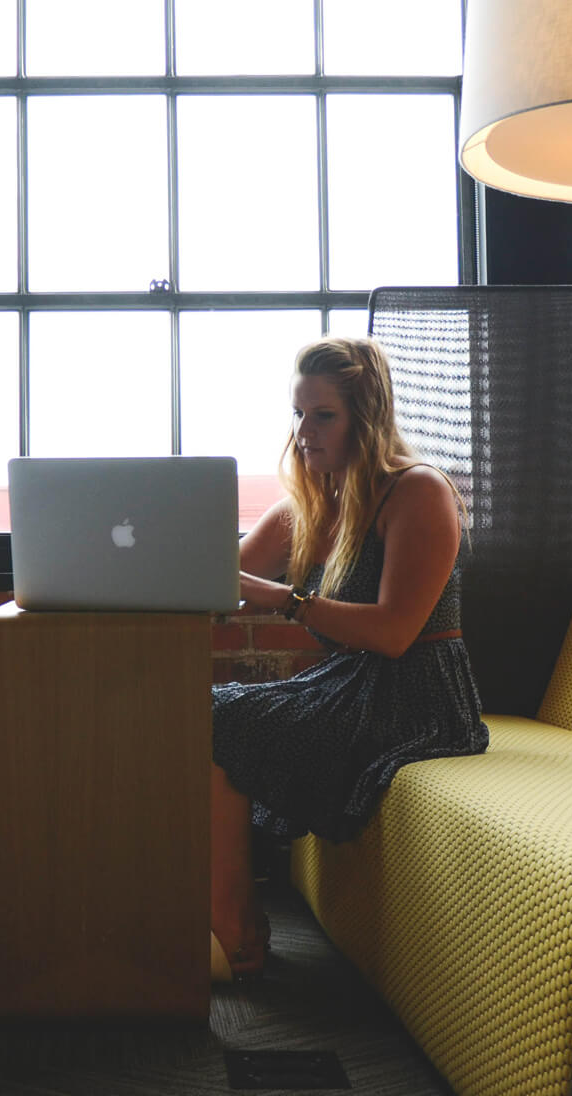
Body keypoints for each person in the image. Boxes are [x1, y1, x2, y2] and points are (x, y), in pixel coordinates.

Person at [209, 336, 487, 980]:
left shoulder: (417, 491)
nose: (304, 432)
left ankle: (234, 927)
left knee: (219, 720)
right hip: (348, 684)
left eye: (323, 415)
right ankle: (225, 915)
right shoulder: (309, 505)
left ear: (367, 417)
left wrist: (285, 599)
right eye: (298, 415)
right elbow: (217, 581)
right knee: (205, 712)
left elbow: (394, 633)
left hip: (418, 695)